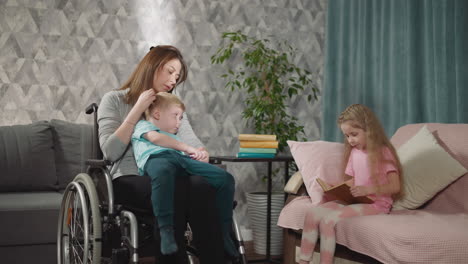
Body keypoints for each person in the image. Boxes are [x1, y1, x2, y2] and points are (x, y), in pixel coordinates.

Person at [97, 45, 226, 263]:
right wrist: (138, 108)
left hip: (170, 174)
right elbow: (110, 152)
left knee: (202, 186)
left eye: (177, 76)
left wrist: (201, 152)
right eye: (170, 71)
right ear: (152, 66)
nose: (174, 80)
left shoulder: (169, 106)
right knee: (176, 188)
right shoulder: (114, 100)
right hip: (130, 178)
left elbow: (191, 141)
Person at [131, 92, 237, 257]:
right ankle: (166, 231)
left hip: (180, 159)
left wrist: (199, 154)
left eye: (181, 117)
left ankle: (224, 233)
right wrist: (187, 148)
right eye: (176, 116)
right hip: (156, 159)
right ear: (157, 114)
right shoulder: (143, 126)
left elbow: (184, 151)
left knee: (225, 178)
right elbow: (156, 139)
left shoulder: (173, 137)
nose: (179, 122)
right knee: (164, 173)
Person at [298, 104, 403, 264]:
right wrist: (337, 187)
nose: (350, 140)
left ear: (369, 129)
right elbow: (354, 180)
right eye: (347, 136)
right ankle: (303, 261)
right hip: (356, 200)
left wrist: (368, 189)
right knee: (312, 214)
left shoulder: (383, 152)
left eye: (354, 134)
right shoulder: (354, 152)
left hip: (376, 204)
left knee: (328, 221)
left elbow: (395, 186)